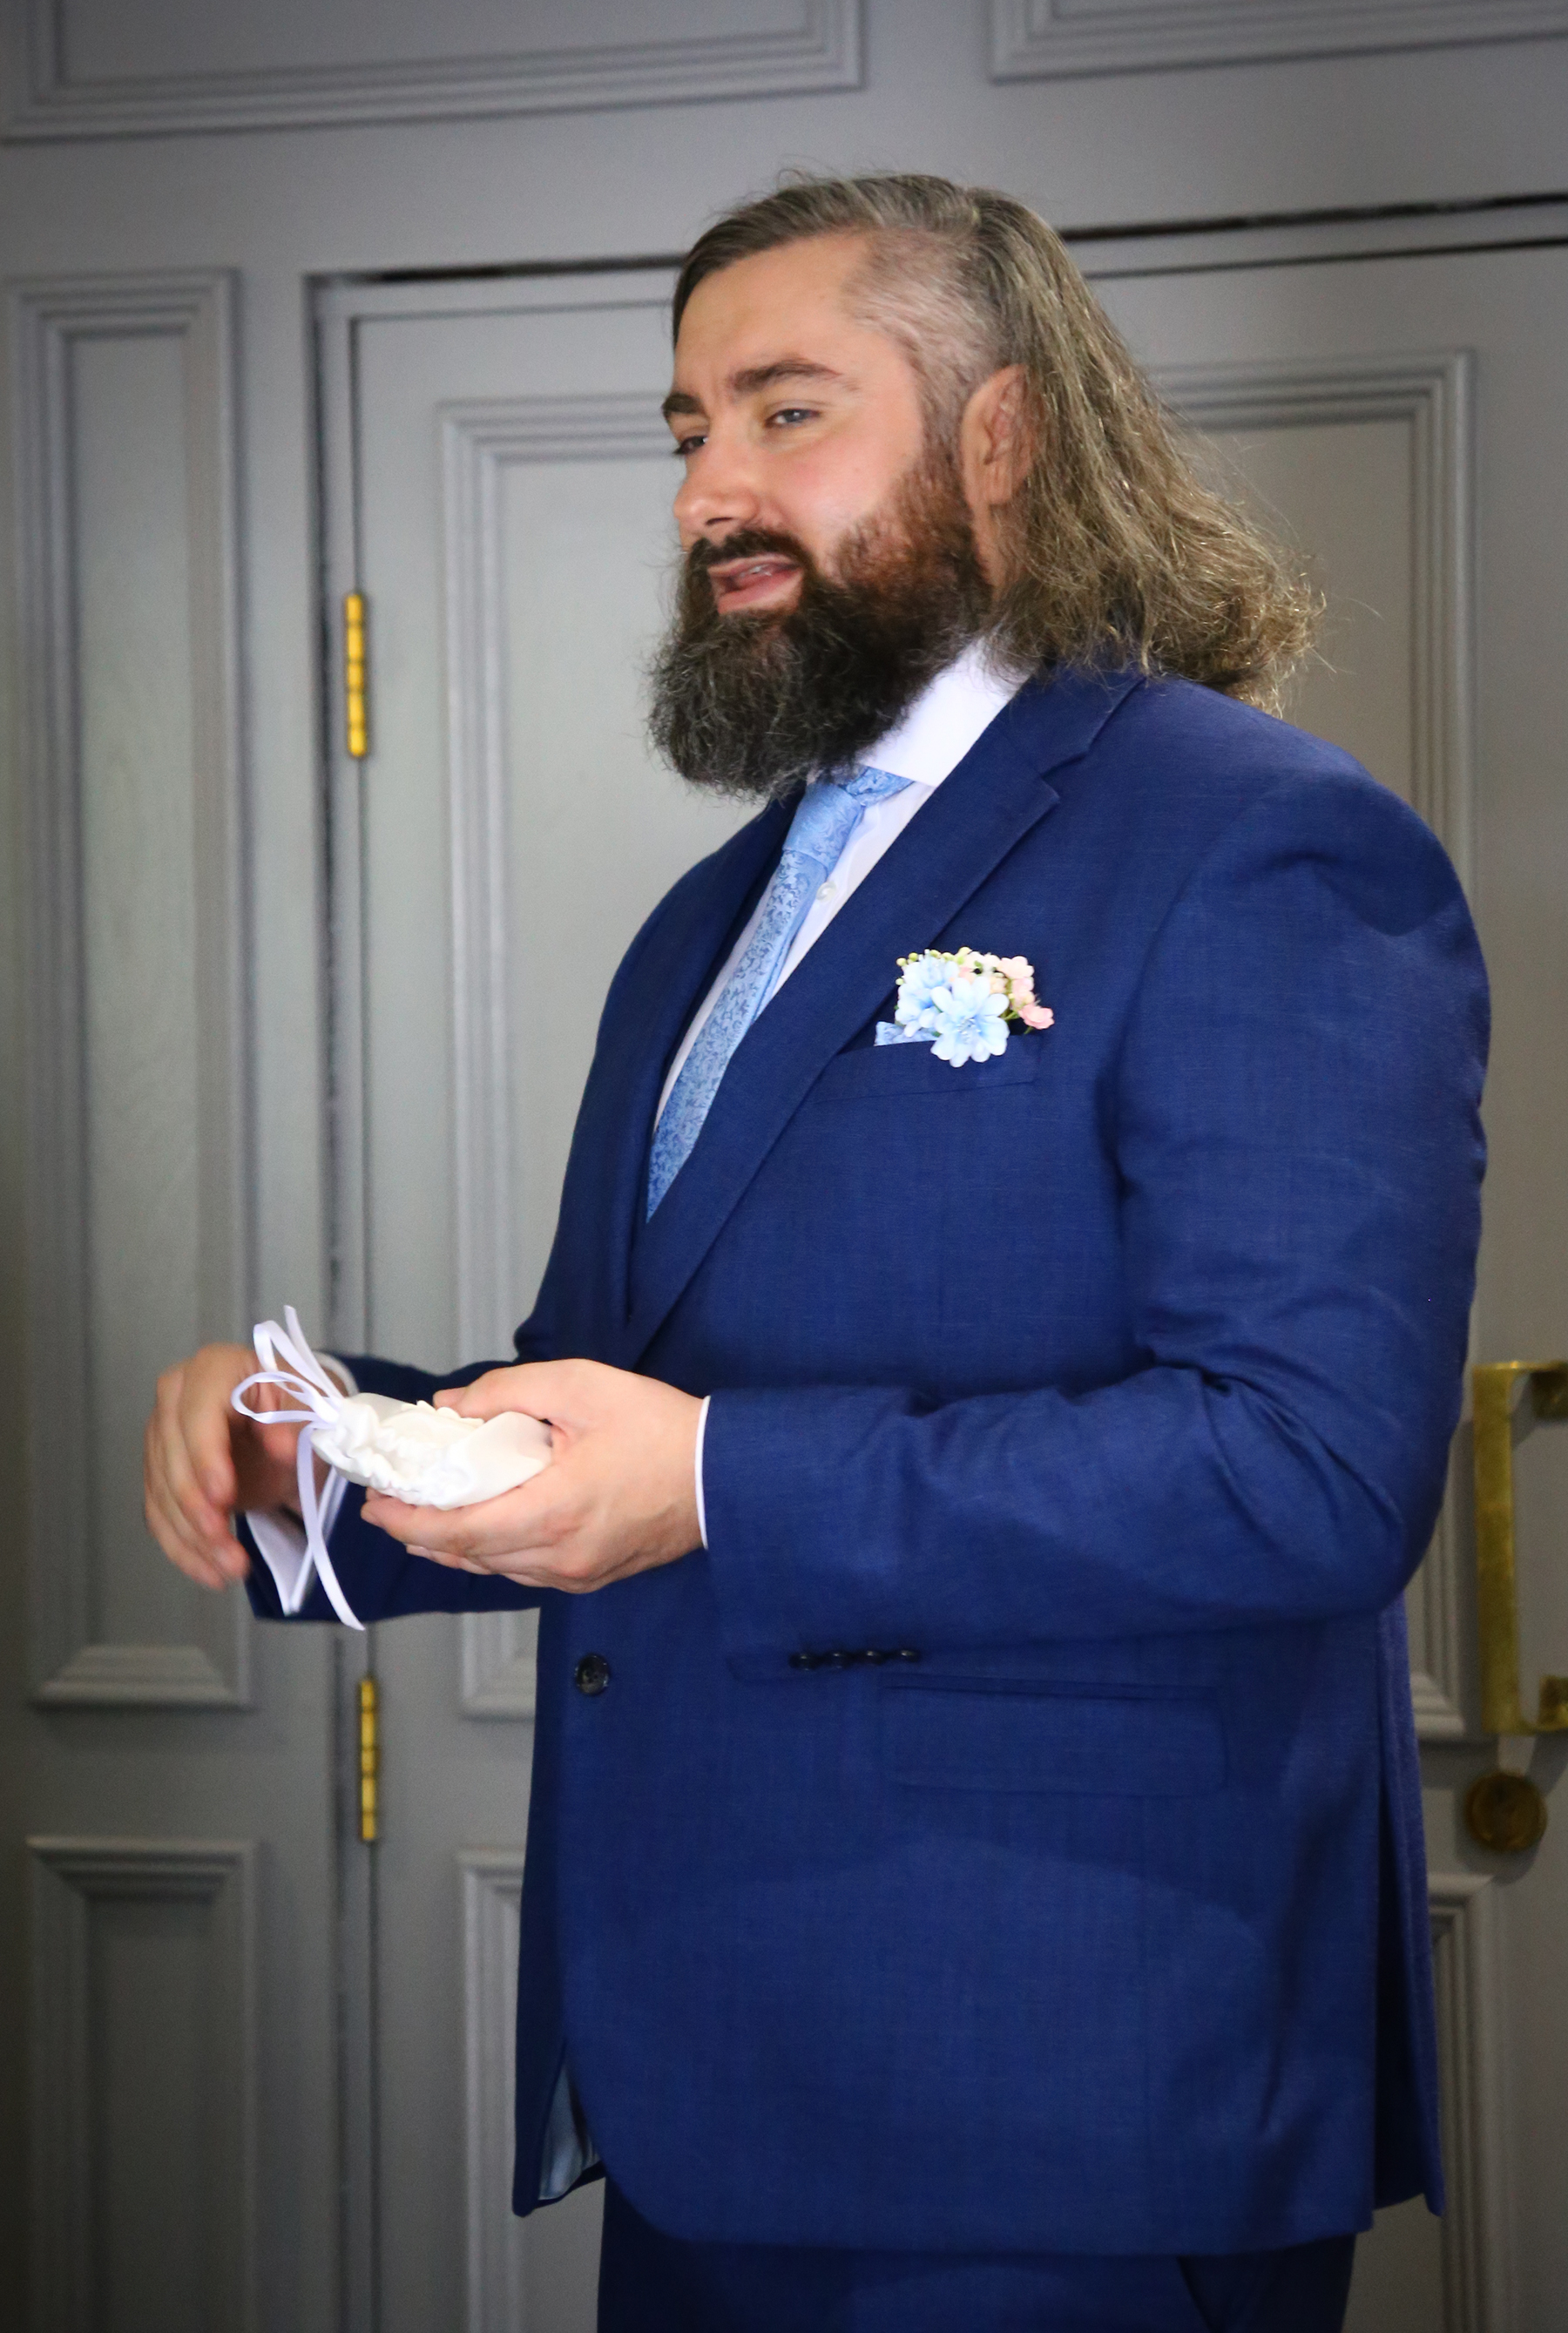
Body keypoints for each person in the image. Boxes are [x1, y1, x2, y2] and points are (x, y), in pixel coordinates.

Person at [145, 175, 1487, 2333]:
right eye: (691, 430)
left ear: (1001, 436)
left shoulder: (1262, 842)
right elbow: (602, 1416)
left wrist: (713, 1480)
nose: (711, 491)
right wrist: (308, 1451)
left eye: (788, 413)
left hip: (1073, 2101)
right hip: (706, 2080)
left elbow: (1307, 1471)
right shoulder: (715, 920)